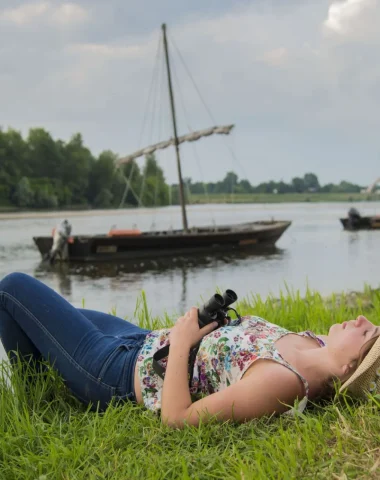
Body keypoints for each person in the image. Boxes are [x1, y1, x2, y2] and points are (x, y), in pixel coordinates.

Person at [0, 272, 378, 428]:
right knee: (32, 316)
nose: (361, 318)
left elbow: (178, 418)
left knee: (11, 288)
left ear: (349, 368)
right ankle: (42, 388)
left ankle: (40, 396)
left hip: (118, 371)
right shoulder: (317, 345)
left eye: (367, 334)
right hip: (140, 338)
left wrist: (181, 344)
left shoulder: (282, 382)